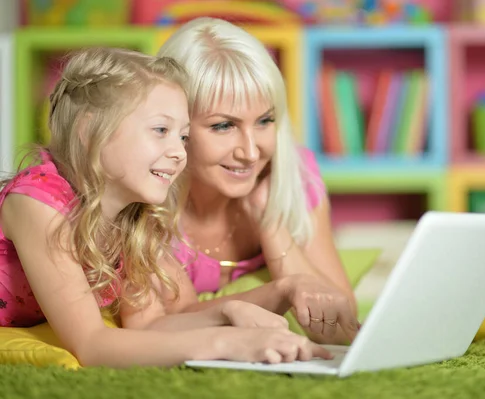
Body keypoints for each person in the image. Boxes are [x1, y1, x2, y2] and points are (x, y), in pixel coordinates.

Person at [0, 47, 331, 367]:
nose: (179, 153)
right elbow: (91, 345)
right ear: (89, 130)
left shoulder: (133, 213)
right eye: (161, 130)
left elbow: (147, 325)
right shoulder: (38, 203)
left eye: (183, 137)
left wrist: (227, 315)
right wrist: (225, 343)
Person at [158, 18, 359, 345]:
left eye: (265, 120)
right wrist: (284, 288)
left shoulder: (295, 174)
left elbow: (342, 328)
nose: (251, 153)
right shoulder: (145, 201)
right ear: (175, 126)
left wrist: (270, 223)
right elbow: (165, 324)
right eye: (223, 126)